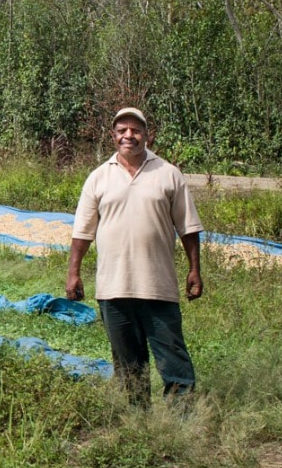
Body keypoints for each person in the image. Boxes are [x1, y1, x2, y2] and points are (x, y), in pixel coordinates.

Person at [66, 107, 203, 409]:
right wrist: (73, 273)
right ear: (113, 136)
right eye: (122, 130)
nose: (129, 135)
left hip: (158, 287)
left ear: (147, 134)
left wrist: (195, 270)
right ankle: (138, 424)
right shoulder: (98, 178)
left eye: (135, 130)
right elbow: (82, 233)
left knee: (173, 360)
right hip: (113, 288)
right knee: (128, 367)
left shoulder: (168, 174)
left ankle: (183, 424)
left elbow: (188, 228)